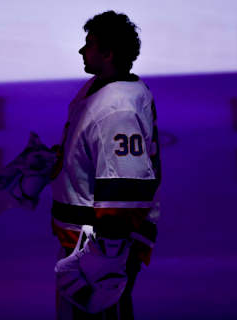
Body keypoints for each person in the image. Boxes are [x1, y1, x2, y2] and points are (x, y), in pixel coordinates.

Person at [51, 10, 161, 319]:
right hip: (87, 242)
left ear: (108, 53)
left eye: (90, 44)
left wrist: (106, 259)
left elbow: (124, 189)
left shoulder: (118, 109)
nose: (82, 50)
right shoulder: (100, 87)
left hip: (98, 247)